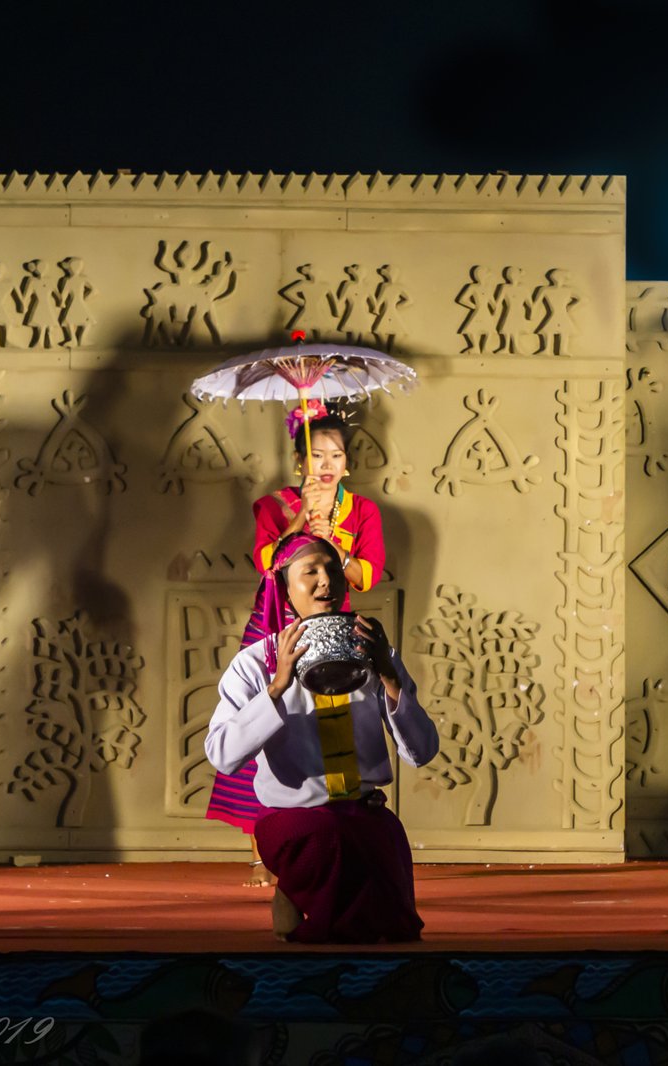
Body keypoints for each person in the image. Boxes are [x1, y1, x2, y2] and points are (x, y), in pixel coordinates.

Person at [204, 533, 438, 943]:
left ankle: (307, 903)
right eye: (309, 572)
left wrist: (389, 676)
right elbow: (222, 756)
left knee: (386, 850)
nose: (326, 581)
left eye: (333, 569)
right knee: (329, 840)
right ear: (284, 588)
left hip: (364, 814)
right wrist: (275, 689)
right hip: (298, 822)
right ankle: (300, 898)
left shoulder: (376, 652)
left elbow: (422, 752)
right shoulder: (256, 663)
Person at [204, 401, 387, 886]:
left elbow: (366, 576)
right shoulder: (272, 506)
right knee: (263, 727)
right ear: (300, 461)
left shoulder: (362, 511)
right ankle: (266, 852)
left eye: (337, 456)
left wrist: (335, 548)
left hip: (332, 631)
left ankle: (338, 829)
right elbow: (267, 563)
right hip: (276, 628)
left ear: (347, 463)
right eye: (317, 456)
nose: (327, 466)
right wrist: (301, 520)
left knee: (331, 731)